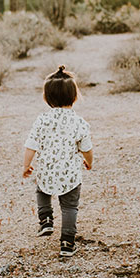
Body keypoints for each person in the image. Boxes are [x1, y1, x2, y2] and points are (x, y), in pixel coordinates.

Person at [22, 66, 93, 257]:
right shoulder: (79, 122)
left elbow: (31, 144)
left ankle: (45, 220)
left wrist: (26, 165)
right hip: (70, 174)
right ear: (75, 96)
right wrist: (89, 162)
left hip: (46, 170)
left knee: (42, 191)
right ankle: (67, 243)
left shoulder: (42, 120)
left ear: (47, 98)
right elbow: (86, 147)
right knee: (69, 207)